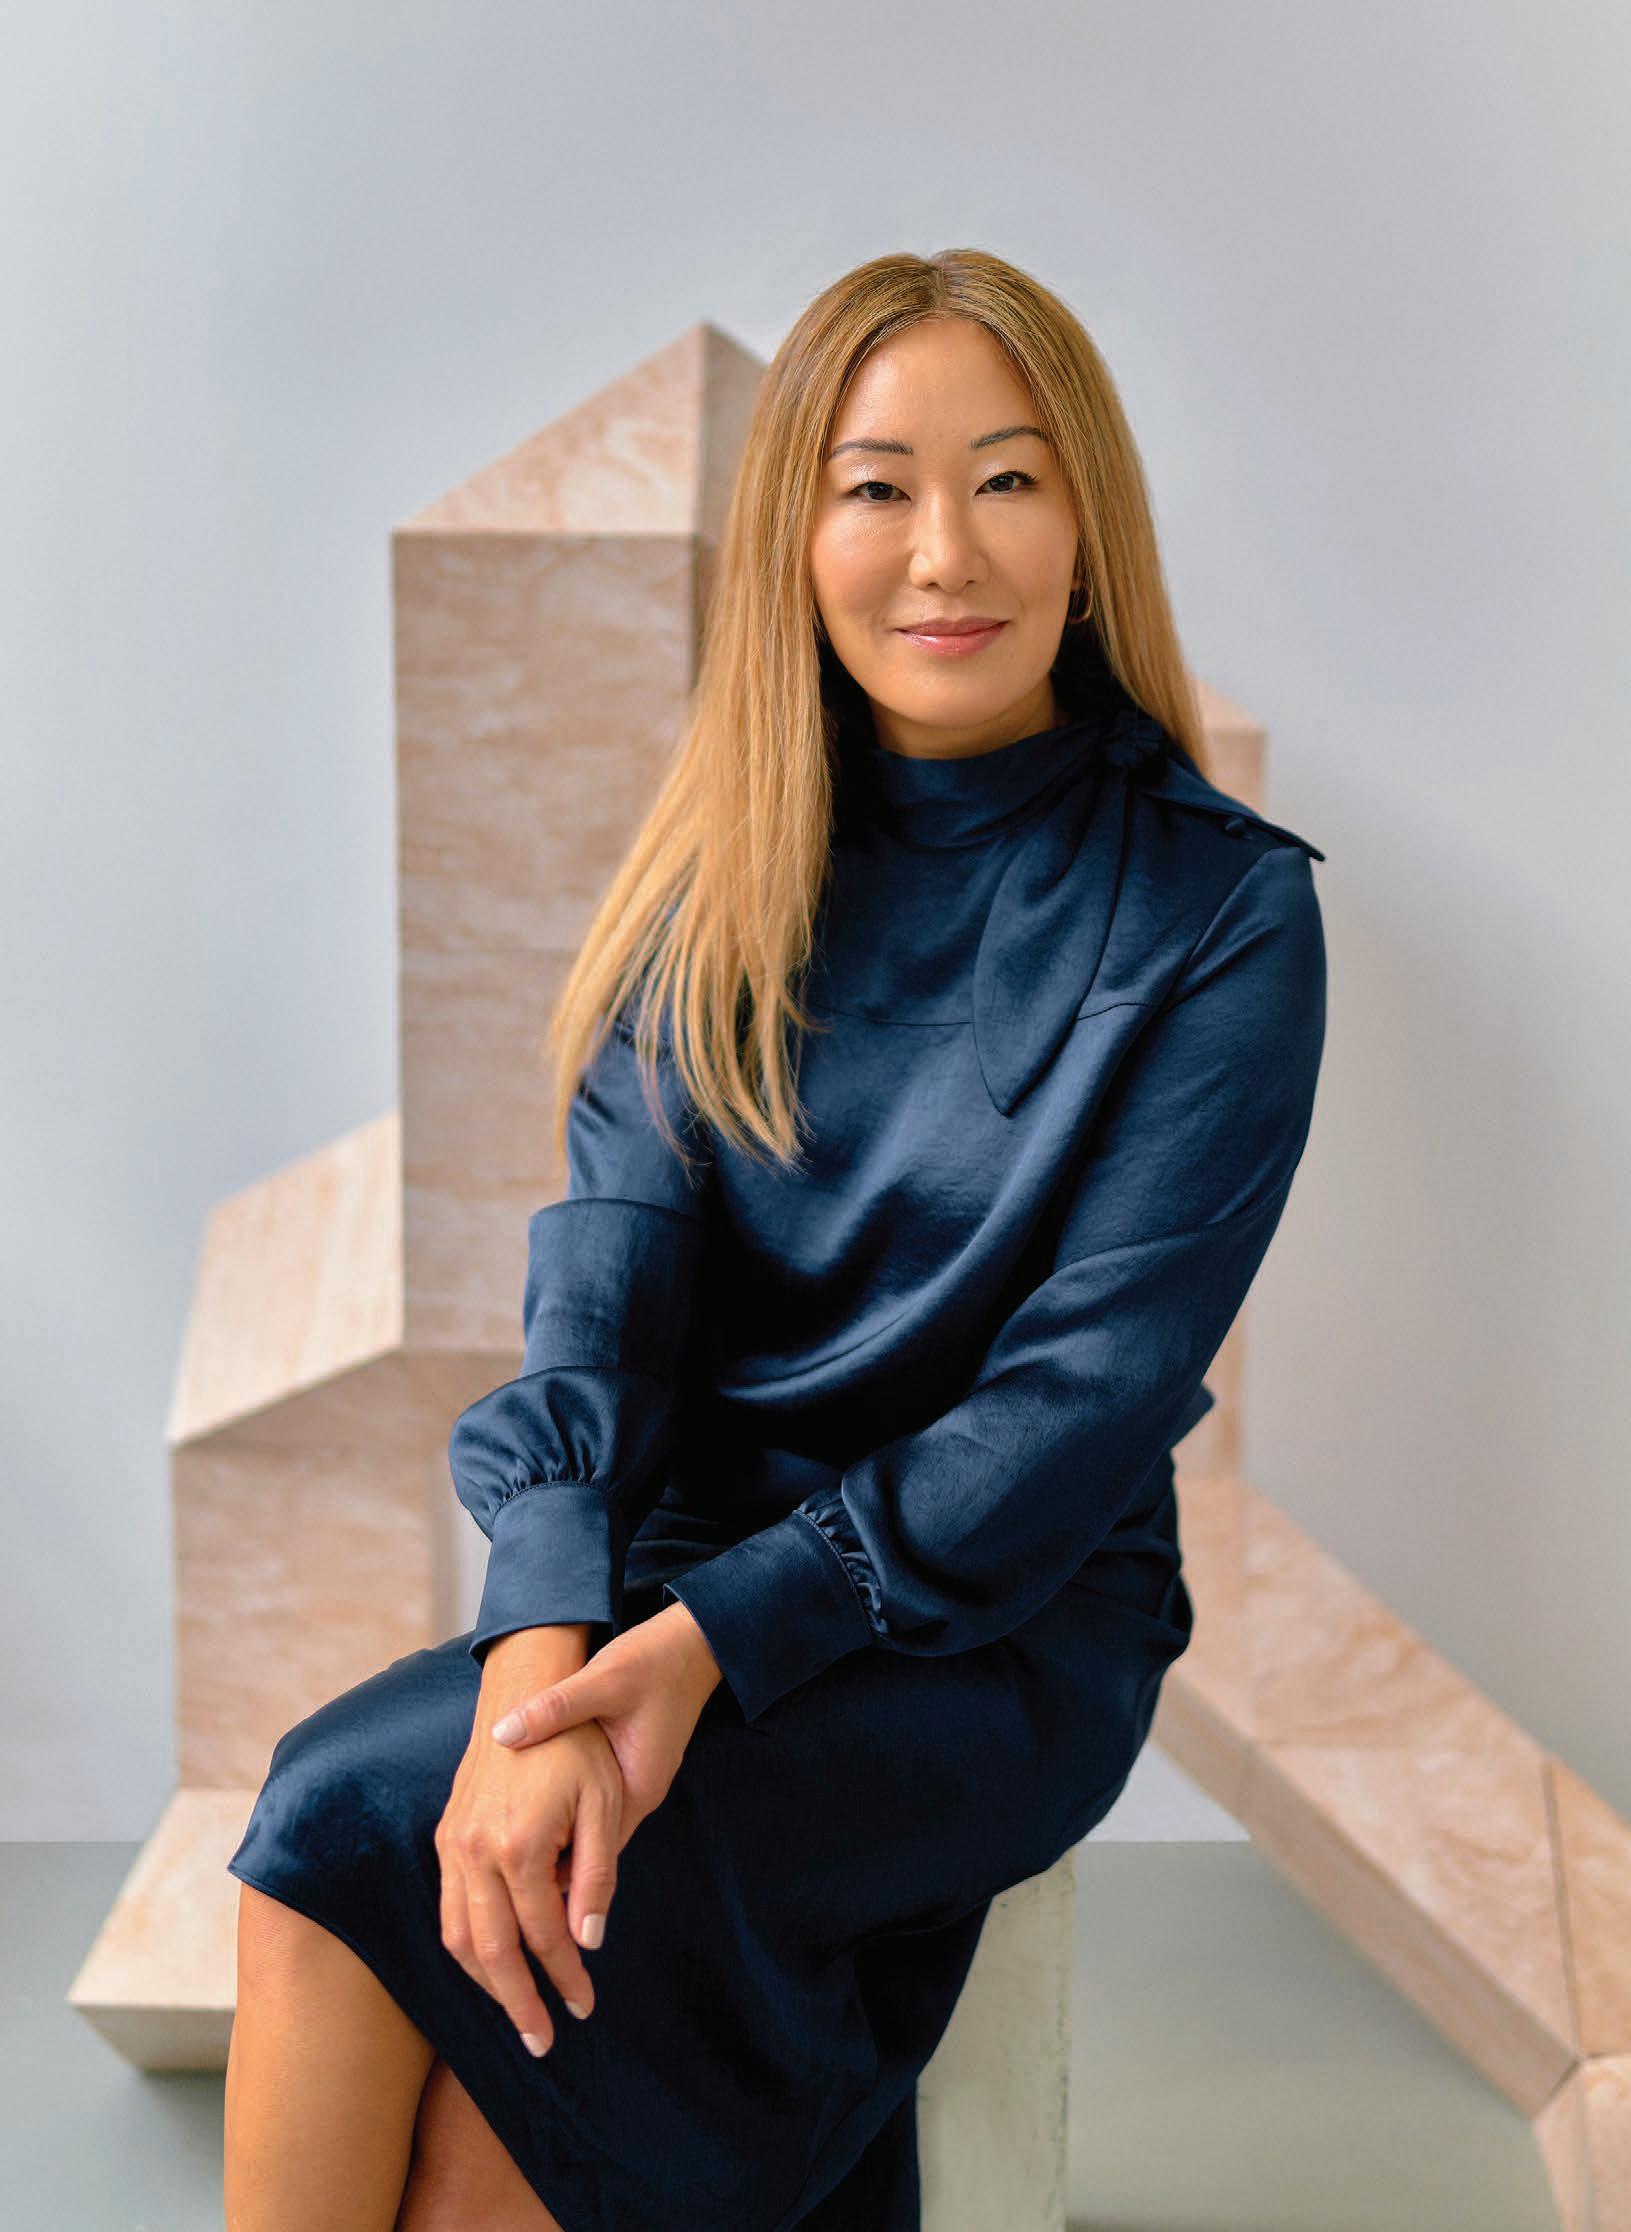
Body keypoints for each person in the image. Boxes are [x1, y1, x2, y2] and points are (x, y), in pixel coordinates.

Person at [222, 247, 1328, 2232]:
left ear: (1088, 524)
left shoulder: (1222, 913)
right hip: (676, 1565)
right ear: (794, 543)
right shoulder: (718, 881)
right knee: (335, 1810)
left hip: (1001, 1623)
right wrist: (549, 1641)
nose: (943, 552)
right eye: (875, 486)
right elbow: (602, 1313)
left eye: (1008, 479)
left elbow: (1081, 1403)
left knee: (542, 1946)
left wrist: (707, 1651)